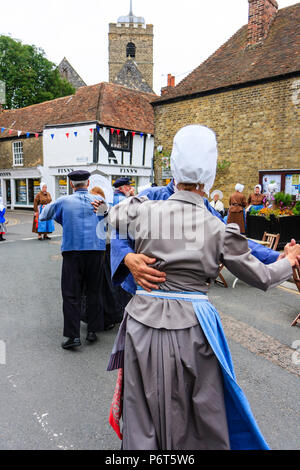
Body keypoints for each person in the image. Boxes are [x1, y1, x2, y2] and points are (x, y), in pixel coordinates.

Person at [107, 125, 300, 450]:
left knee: (141, 411)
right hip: (191, 328)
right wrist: (290, 258)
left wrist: (133, 222)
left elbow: (113, 215)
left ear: (175, 169)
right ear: (209, 175)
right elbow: (264, 278)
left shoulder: (143, 209)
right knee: (196, 414)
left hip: (140, 322)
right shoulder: (218, 228)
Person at [40, 170, 107, 350]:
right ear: (88, 182)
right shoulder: (100, 202)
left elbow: (44, 214)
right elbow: (107, 223)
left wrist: (64, 219)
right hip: (95, 250)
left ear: (71, 184)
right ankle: (92, 330)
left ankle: (72, 336)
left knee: (71, 294)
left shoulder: (64, 201)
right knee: (93, 291)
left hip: (73, 251)